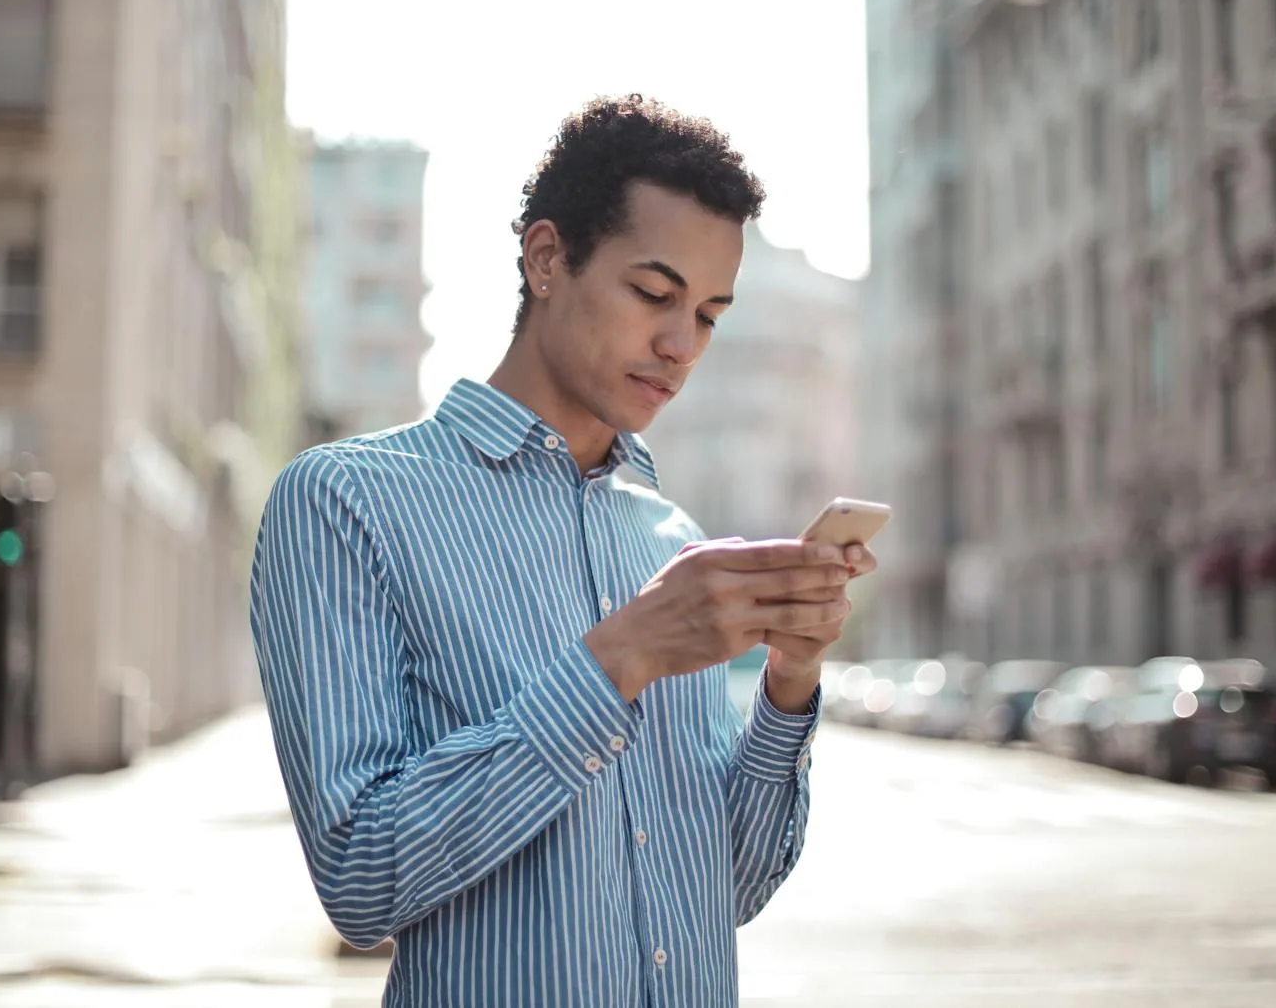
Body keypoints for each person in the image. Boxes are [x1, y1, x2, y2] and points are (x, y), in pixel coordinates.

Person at [249, 94, 877, 1008]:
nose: (679, 345)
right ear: (547, 259)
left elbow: (726, 889)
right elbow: (360, 878)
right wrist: (622, 657)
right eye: (655, 294)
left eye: (708, 314)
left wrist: (789, 681)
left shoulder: (669, 536)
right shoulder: (347, 502)